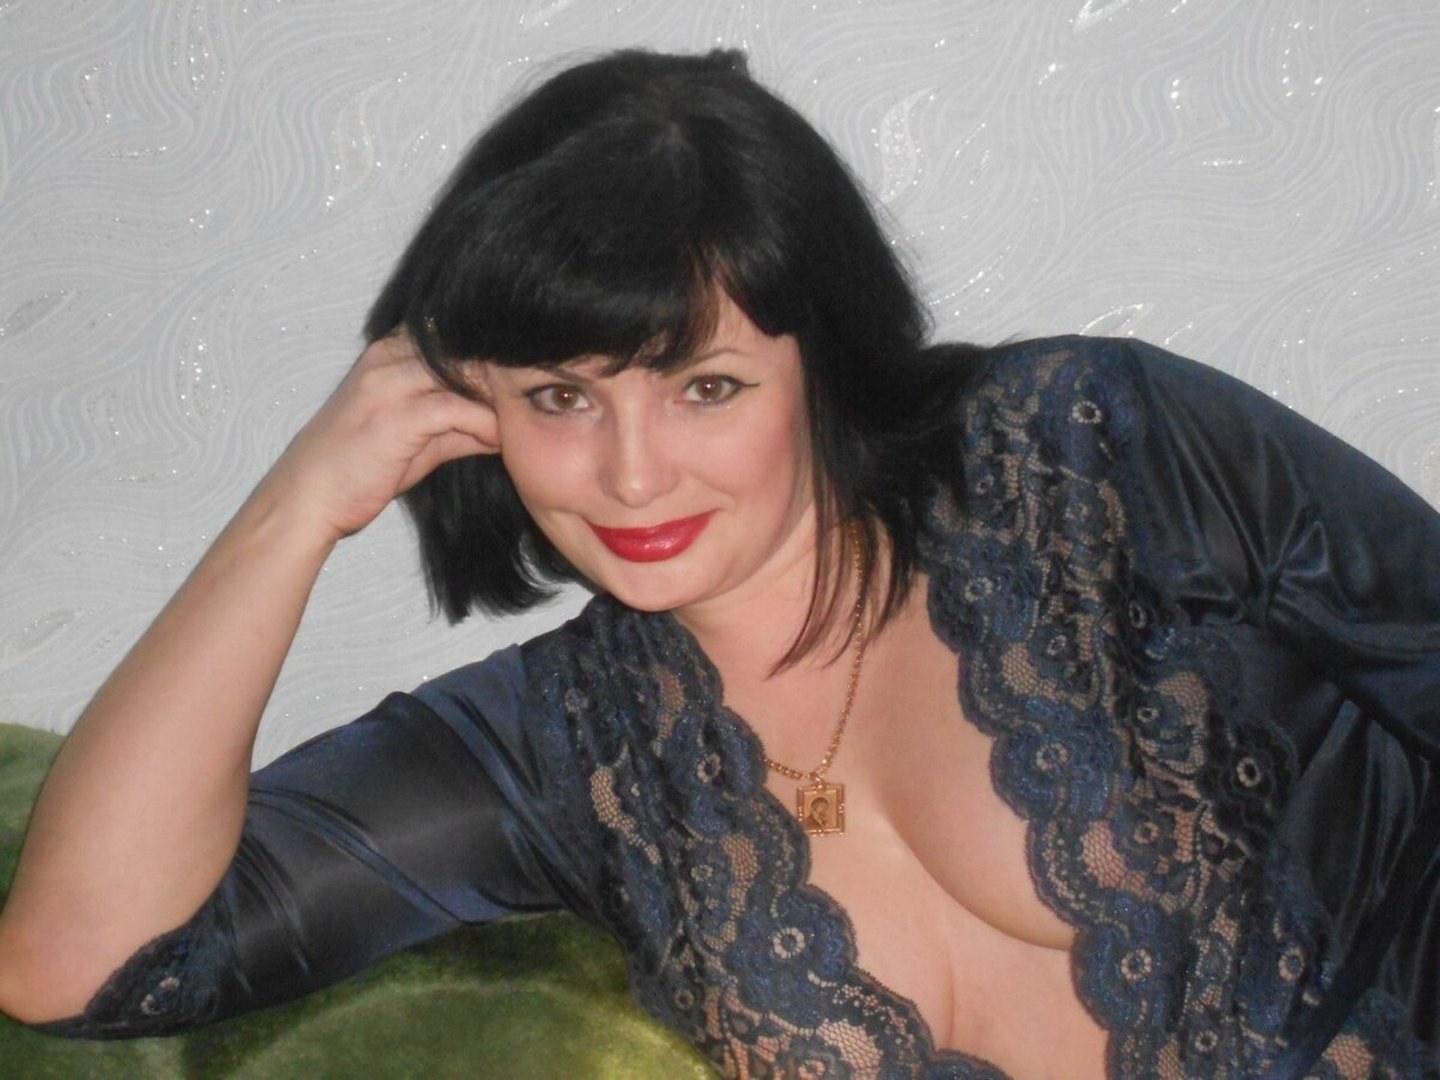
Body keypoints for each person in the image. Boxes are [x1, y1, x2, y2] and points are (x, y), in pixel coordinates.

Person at [0, 46, 1436, 1080]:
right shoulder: (570, 749)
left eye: (705, 387)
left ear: (821, 360)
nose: (632, 477)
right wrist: (295, 508)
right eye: (561, 397)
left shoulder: (1080, 457)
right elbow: (77, 968)